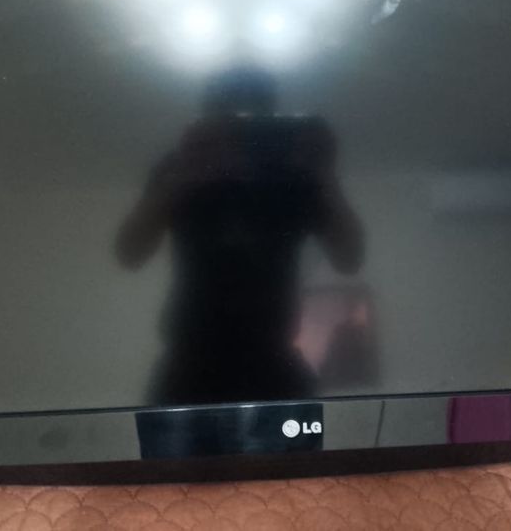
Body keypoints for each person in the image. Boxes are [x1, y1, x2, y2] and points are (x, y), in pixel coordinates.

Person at [116, 65, 364, 406]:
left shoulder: (295, 176)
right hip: (188, 366)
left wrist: (325, 175)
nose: (240, 135)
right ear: (205, 124)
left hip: (273, 362)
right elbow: (128, 254)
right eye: (227, 124)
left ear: (272, 123)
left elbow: (350, 259)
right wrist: (182, 180)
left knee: (295, 444)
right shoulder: (183, 168)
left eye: (253, 124)